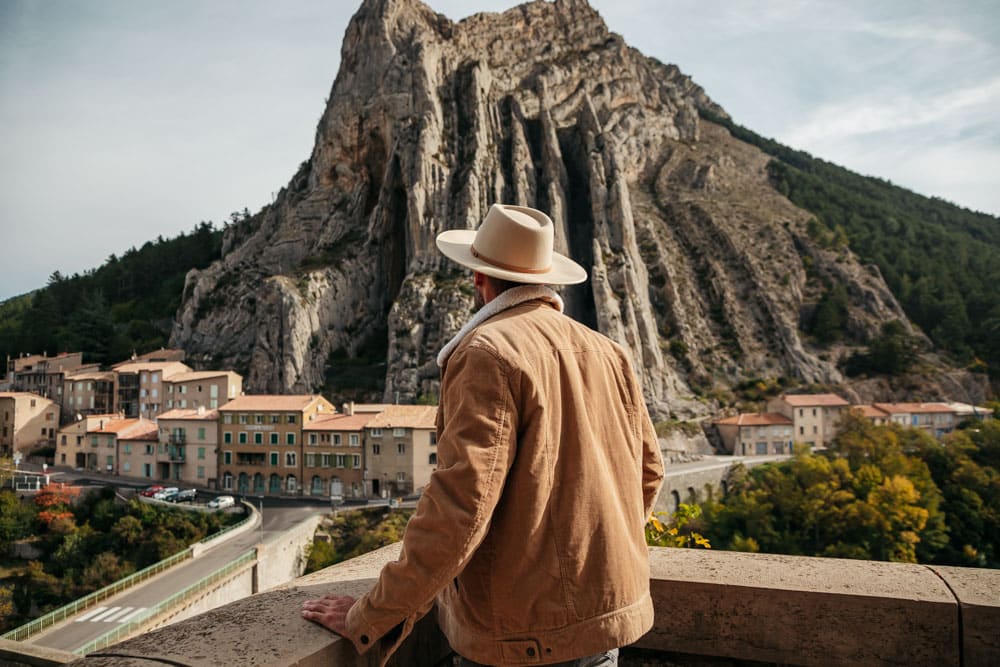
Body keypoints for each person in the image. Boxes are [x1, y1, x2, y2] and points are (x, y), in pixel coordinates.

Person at [302, 204, 664, 666]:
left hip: (519, 637)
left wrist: (369, 616)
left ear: (479, 279)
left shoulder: (486, 352)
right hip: (602, 625)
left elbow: (459, 510)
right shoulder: (609, 352)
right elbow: (648, 473)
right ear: (546, 279)